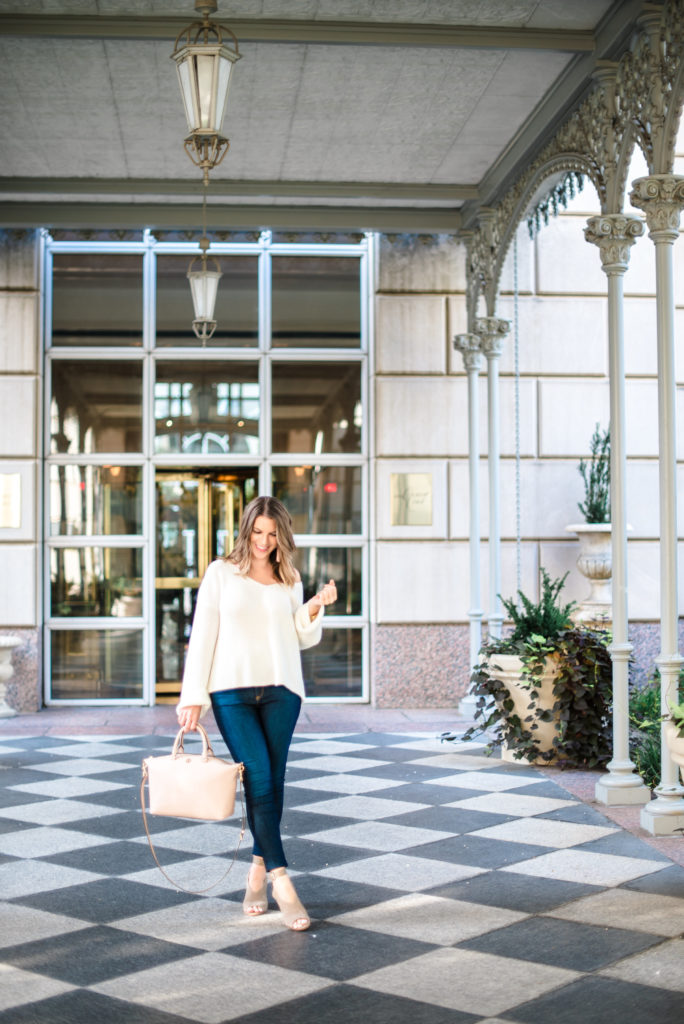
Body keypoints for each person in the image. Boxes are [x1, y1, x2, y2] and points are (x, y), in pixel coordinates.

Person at [176, 495, 337, 931]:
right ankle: (282, 881)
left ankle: (255, 873)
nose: (264, 541)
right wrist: (193, 696)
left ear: (281, 535)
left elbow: (298, 636)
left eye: (272, 534)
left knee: (274, 782)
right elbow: (203, 633)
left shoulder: (289, 577)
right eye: (257, 532)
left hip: (283, 690)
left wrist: (316, 604)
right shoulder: (221, 573)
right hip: (231, 692)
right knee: (260, 779)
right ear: (246, 530)